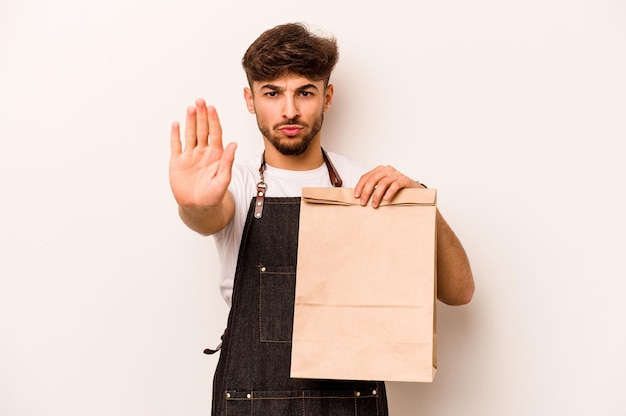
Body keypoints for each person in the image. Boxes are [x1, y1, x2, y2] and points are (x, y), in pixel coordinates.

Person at [169, 22, 474, 416]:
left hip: (349, 403)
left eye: (305, 92)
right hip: (251, 402)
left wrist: (420, 202)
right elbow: (211, 215)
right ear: (250, 99)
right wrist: (196, 204)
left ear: (327, 97)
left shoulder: (365, 186)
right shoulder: (235, 185)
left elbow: (460, 293)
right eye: (272, 93)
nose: (289, 109)